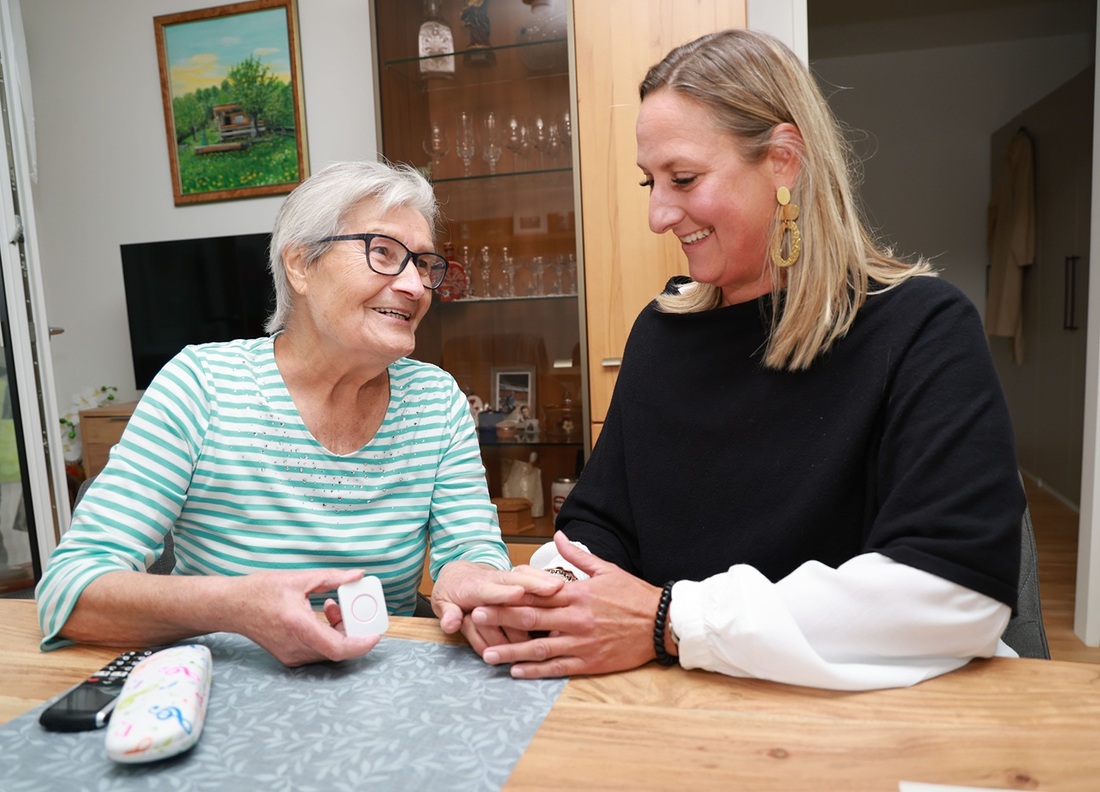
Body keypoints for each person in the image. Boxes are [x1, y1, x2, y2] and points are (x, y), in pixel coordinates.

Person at [466, 30, 1025, 691]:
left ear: (783, 159)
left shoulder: (923, 329)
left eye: (683, 179)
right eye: (650, 182)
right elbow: (601, 522)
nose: (657, 213)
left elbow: (954, 592)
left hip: (858, 721)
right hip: (674, 704)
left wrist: (671, 621)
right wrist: (546, 599)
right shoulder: (661, 331)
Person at [36, 160, 559, 667]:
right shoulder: (202, 386)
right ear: (300, 264)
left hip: (376, 684)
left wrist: (471, 577)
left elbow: (469, 545)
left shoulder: (435, 400)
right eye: (383, 252)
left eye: (423, 263)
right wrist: (233, 607)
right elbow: (70, 589)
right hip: (224, 688)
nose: (416, 285)